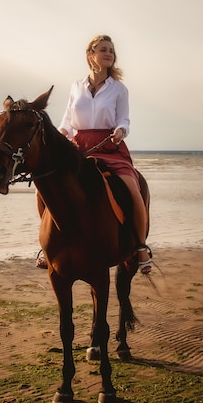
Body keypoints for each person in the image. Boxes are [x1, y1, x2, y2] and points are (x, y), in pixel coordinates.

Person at [36, 34, 152, 274]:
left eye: (111, 50)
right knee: (43, 186)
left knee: (133, 190)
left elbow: (124, 119)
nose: (108, 53)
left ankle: (140, 247)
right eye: (103, 49)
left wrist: (121, 130)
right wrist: (59, 136)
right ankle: (49, 246)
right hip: (77, 148)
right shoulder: (76, 86)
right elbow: (67, 121)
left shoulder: (119, 89)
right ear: (91, 55)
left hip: (110, 146)